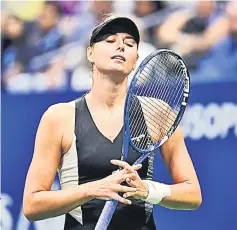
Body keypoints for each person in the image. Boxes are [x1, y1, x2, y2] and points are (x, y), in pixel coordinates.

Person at [23, 14, 202, 230]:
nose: (120, 46)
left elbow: (193, 194)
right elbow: (32, 205)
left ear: (135, 59)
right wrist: (93, 189)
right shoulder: (59, 117)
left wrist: (148, 190)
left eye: (129, 43)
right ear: (90, 52)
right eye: (110, 40)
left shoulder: (157, 113)